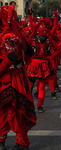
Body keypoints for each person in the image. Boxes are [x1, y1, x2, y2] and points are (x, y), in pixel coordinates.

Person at [0, 4, 36, 150]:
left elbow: (13, 58)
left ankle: (21, 141)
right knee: (7, 110)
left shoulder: (8, 37)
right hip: (15, 76)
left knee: (13, 110)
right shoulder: (15, 36)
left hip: (10, 78)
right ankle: (9, 139)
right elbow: (28, 53)